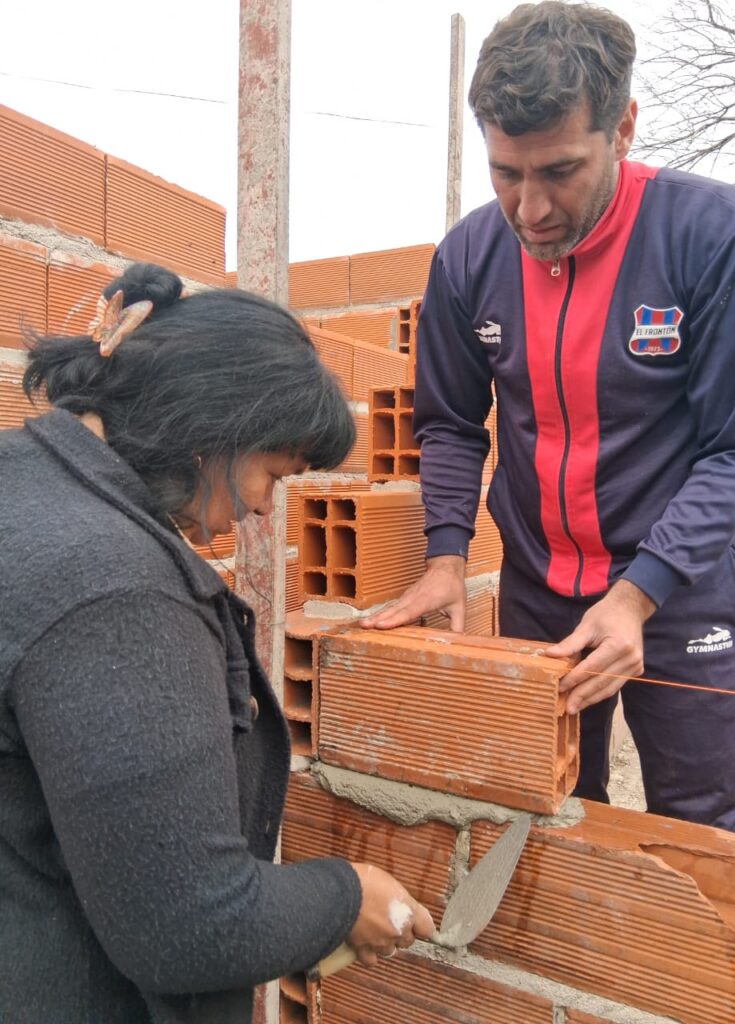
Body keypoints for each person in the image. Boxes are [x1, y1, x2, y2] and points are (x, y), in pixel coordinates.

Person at [365, 1, 735, 842]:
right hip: (539, 590)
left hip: (679, 594)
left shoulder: (721, 237)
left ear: (622, 127)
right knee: (549, 818)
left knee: (699, 836)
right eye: (505, 172)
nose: (530, 208)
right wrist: (445, 558)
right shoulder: (469, 258)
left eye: (559, 170)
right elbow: (449, 424)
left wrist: (639, 595)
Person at [0, 262, 434, 1024]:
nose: (265, 508)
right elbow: (189, 924)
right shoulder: (117, 592)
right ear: (215, 429)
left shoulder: (24, 483)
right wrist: (347, 898)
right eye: (274, 472)